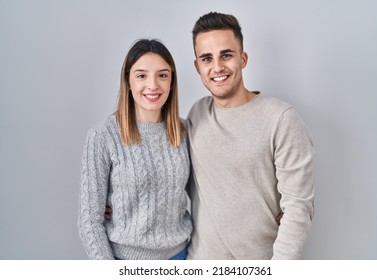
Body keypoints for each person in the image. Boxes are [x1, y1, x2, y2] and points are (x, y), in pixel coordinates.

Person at [186, 12, 315, 259]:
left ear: (243, 59)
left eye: (226, 55)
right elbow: (167, 170)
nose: (217, 67)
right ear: (197, 66)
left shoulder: (281, 118)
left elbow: (298, 207)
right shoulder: (196, 114)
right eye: (206, 58)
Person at [78, 39, 192, 260]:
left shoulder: (185, 131)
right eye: (141, 75)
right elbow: (89, 221)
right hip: (125, 260)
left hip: (181, 256)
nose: (153, 85)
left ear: (171, 81)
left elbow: (209, 194)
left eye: (162, 75)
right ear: (128, 81)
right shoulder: (103, 136)